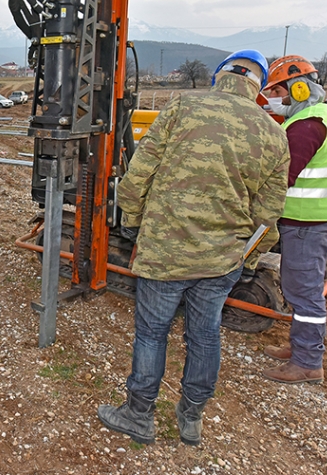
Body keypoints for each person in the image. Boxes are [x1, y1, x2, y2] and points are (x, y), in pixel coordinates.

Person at [97, 50, 290, 446]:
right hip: (221, 260)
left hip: (165, 252)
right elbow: (269, 215)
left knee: (152, 333)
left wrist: (133, 223)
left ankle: (139, 415)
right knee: (205, 335)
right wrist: (247, 258)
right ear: (259, 86)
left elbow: (138, 176)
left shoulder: (182, 105)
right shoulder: (274, 134)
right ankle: (191, 417)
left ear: (220, 76)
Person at [260, 55, 327, 385]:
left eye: (277, 91)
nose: (274, 98)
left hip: (306, 223)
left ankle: (307, 362)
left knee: (304, 292)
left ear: (298, 89)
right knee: (301, 288)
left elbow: (283, 176)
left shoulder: (307, 124)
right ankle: (300, 348)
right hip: (310, 221)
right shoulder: (319, 115)